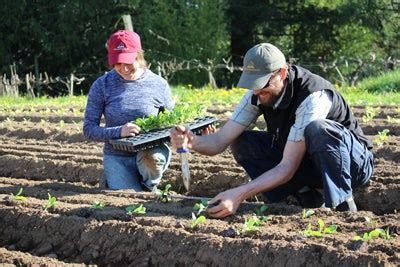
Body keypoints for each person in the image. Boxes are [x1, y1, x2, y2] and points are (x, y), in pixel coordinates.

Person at [170, 43, 374, 218]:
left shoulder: (313, 96)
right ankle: (306, 196)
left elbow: (287, 167)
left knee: (318, 129)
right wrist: (192, 141)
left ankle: (343, 205)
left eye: (262, 85)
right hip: (310, 164)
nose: (257, 92)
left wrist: (239, 194)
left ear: (282, 74)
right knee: (242, 142)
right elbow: (220, 140)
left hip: (352, 165)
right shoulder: (257, 93)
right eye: (253, 85)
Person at [84, 30, 174, 191]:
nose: (124, 69)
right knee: (129, 198)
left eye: (128, 62)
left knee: (149, 173)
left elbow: (170, 124)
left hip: (150, 152)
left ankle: (149, 184)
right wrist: (120, 131)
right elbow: (89, 130)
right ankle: (115, 178)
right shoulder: (102, 85)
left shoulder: (158, 84)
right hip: (117, 156)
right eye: (118, 63)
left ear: (139, 55)